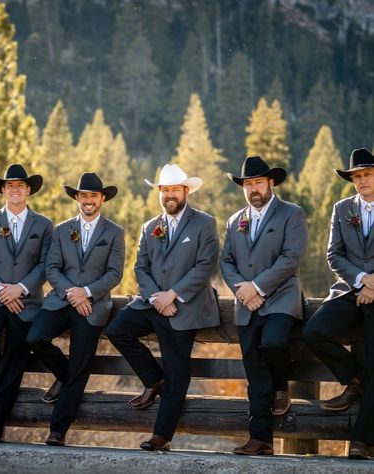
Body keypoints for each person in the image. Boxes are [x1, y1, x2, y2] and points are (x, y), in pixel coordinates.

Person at [106, 163, 220, 452]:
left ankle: (162, 436)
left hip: (186, 306)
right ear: (159, 192)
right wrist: (156, 296)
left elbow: (205, 265)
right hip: (152, 303)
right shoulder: (149, 227)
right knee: (118, 329)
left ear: (185, 191)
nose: (169, 194)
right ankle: (153, 380)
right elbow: (140, 267)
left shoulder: (204, 223)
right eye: (164, 190)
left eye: (174, 189)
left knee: (178, 372)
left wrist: (173, 295)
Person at [27, 172, 125, 446]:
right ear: (77, 198)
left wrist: (87, 293)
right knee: (35, 338)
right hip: (61, 299)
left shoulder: (114, 233)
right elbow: (52, 268)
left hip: (92, 306)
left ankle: (57, 430)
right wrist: (73, 292)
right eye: (84, 195)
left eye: (94, 195)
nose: (88, 200)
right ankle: (62, 375)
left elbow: (114, 274)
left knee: (80, 368)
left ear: (102, 198)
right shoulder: (61, 230)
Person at [220, 155, 308, 456]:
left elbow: (291, 258)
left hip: (281, 296)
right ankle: (260, 439)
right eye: (247, 184)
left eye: (258, 182)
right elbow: (226, 262)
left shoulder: (291, 214)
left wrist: (258, 286)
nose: (253, 188)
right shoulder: (235, 221)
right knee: (254, 369)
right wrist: (243, 291)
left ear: (271, 183)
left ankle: (282, 385)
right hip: (246, 303)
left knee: (274, 343)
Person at [0, 163, 53, 442]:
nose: (15, 190)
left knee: (14, 364)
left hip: (27, 303)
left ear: (28, 190)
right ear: (3, 191)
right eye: (10, 186)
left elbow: (45, 265)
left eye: (20, 186)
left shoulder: (43, 225)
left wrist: (20, 289)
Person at [302, 148, 374, 459]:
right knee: (313, 331)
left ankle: (361, 441)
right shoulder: (343, 208)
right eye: (357, 176)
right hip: (349, 289)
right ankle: (353, 379)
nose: (362, 181)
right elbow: (334, 255)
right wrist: (362, 279)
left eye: (367, 174)